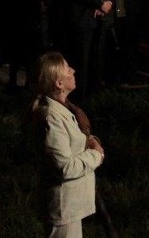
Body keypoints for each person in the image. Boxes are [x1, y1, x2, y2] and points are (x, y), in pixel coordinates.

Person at [30, 52, 105, 237]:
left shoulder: (65, 108)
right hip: (63, 205)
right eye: (67, 69)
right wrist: (97, 154)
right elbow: (65, 167)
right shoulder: (51, 118)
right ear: (59, 83)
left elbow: (74, 139)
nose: (73, 70)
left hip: (71, 204)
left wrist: (90, 140)